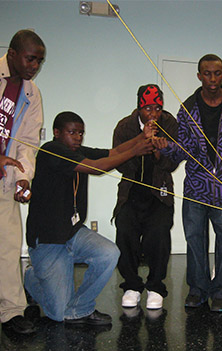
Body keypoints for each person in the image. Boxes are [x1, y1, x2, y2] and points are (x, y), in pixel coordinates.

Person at [24, 111, 154, 325]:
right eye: (72, 132)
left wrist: (141, 136)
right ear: (56, 133)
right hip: (48, 241)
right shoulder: (51, 150)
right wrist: (135, 152)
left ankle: (81, 308)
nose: (77, 137)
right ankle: (31, 278)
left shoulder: (78, 151)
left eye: (81, 133)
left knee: (109, 253)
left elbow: (113, 151)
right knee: (57, 314)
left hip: (72, 234)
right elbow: (98, 167)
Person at [156, 54, 222, 312]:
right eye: (207, 73)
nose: (213, 79)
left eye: (218, 73)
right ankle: (198, 289)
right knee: (194, 238)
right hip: (196, 186)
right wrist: (166, 148)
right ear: (199, 76)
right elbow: (183, 150)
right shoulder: (188, 108)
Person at [112, 84, 178, 310]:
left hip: (159, 193)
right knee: (125, 233)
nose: (154, 114)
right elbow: (118, 162)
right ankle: (131, 285)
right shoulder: (124, 127)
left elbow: (174, 161)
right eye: (149, 108)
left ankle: (156, 286)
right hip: (131, 192)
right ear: (139, 107)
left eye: (158, 108)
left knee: (158, 236)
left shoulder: (169, 124)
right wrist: (141, 141)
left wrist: (160, 152)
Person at [0, 29, 45, 334]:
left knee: (8, 245)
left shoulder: (32, 94)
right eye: (31, 58)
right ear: (12, 54)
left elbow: (27, 143)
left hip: (5, 180)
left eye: (40, 61)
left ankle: (11, 311)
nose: (35, 66)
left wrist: (23, 179)